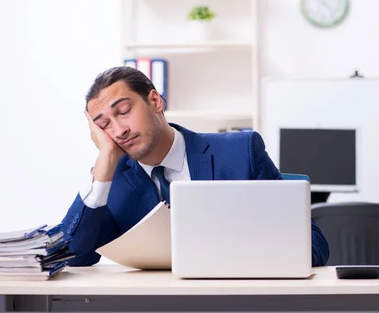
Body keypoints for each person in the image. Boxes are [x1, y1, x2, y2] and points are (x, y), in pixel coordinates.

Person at [60, 66, 330, 267]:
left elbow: (313, 245)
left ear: (155, 101)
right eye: (104, 124)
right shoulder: (113, 181)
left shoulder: (241, 152)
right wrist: (104, 164)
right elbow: (74, 256)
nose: (118, 130)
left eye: (124, 111)